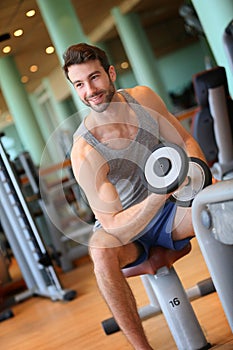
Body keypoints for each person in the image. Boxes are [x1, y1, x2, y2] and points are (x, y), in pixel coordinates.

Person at [62, 43, 206, 350]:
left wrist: (202, 181)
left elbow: (185, 141)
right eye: (79, 84)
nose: (90, 90)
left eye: (95, 77)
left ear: (111, 73)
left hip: (170, 210)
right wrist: (154, 199)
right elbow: (112, 224)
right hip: (129, 230)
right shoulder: (84, 150)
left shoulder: (142, 98)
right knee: (100, 250)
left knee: (219, 202)